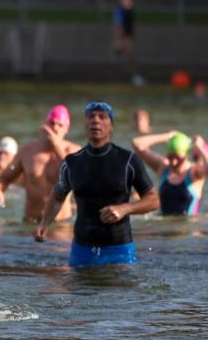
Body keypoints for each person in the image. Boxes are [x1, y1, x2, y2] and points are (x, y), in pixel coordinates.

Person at [35, 102, 159, 267]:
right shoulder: (72, 162)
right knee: (78, 292)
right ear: (85, 124)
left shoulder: (128, 160)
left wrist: (125, 208)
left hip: (119, 250)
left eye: (102, 117)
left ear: (111, 126)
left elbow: (154, 200)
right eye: (91, 117)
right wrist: (44, 223)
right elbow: (58, 196)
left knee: (120, 292)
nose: (96, 121)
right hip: (81, 250)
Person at [0, 105, 81, 222]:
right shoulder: (27, 151)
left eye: (60, 125)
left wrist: (56, 146)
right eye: (52, 123)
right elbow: (4, 179)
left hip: (60, 224)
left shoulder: (74, 151)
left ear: (67, 129)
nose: (55, 128)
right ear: (45, 124)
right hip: (30, 222)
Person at [132, 131, 208, 216]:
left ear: (186, 156)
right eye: (170, 157)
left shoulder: (194, 172)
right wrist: (167, 136)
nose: (173, 162)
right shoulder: (164, 168)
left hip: (189, 228)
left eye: (178, 158)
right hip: (164, 227)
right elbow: (137, 144)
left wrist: (199, 147)